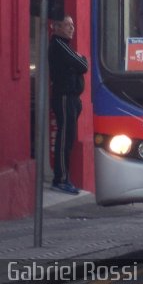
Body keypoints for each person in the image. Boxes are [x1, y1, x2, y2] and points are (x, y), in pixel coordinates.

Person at [49, 15, 88, 194]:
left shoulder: (65, 47)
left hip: (72, 98)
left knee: (68, 138)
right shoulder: (59, 46)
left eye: (72, 25)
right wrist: (80, 60)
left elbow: (79, 64)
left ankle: (64, 177)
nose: (72, 28)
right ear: (56, 27)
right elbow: (82, 64)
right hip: (64, 97)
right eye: (67, 25)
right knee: (65, 138)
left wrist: (79, 61)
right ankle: (61, 179)